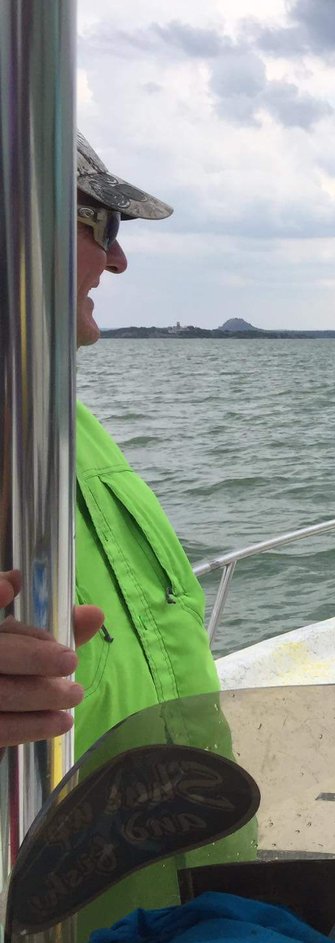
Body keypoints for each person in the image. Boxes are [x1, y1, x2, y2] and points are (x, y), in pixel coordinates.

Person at [0, 132, 222, 755]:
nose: (117, 260)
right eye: (101, 224)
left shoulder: (67, 422)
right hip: (57, 856)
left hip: (186, 843)